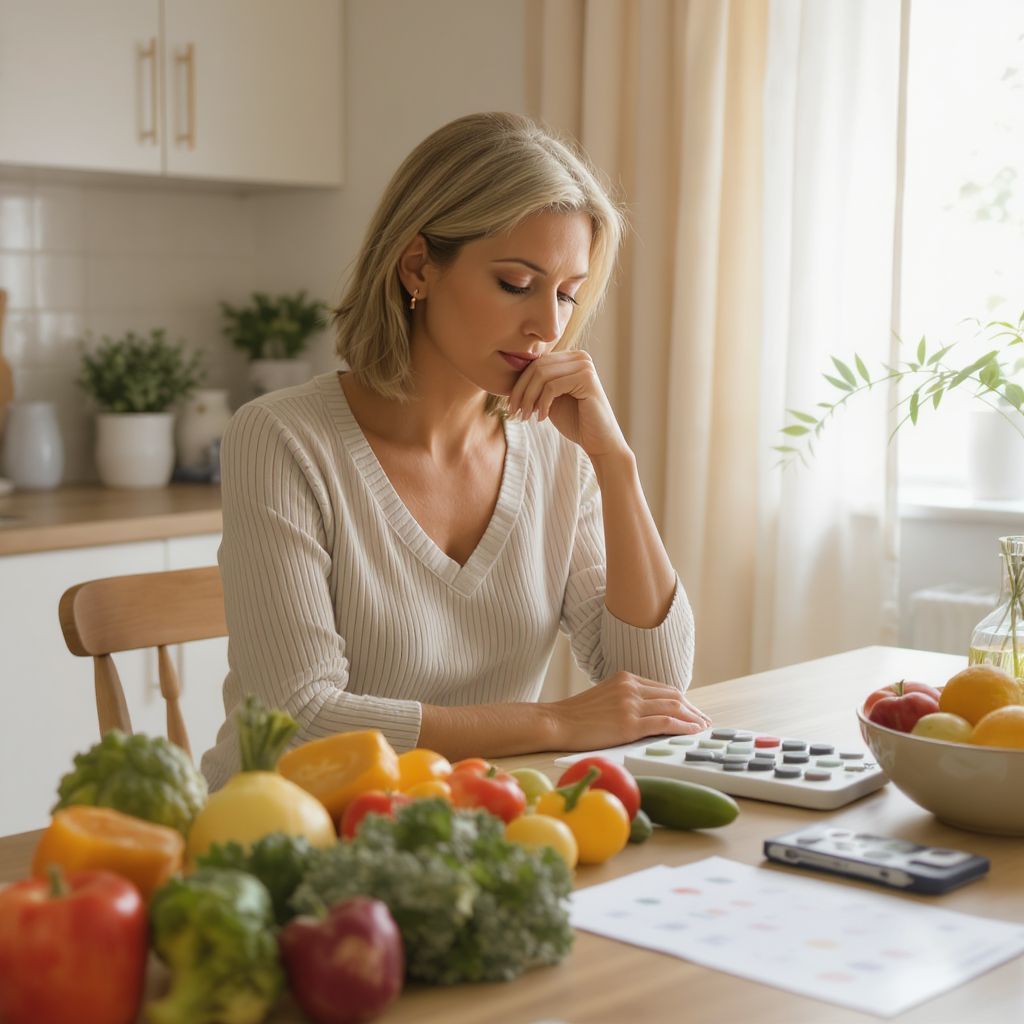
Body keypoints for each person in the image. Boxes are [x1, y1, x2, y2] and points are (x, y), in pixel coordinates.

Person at [200, 112, 706, 789]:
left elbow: (655, 685)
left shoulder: (557, 453)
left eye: (567, 295)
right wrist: (554, 723)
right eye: (516, 284)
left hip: (468, 825)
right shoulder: (282, 439)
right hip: (288, 830)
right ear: (418, 266)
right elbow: (300, 721)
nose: (548, 326)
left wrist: (616, 465)